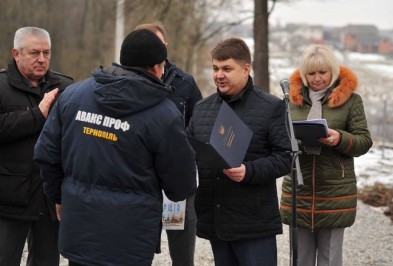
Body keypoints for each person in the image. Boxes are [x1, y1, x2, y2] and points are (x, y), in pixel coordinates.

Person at [33, 28, 197, 266]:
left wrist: (59, 197)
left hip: (80, 231)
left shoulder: (72, 97)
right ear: (156, 67)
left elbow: (46, 154)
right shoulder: (164, 114)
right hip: (131, 241)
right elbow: (181, 184)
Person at [186, 37, 291, 266]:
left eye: (226, 69)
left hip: (254, 224)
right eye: (215, 68)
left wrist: (249, 171)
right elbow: (187, 151)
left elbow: (285, 158)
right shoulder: (202, 109)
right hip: (216, 219)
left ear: (245, 69)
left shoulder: (271, 107)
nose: (218, 75)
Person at [279, 44, 373, 266]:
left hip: (334, 191)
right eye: (311, 73)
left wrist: (339, 139)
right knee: (300, 258)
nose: (317, 78)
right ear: (303, 74)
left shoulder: (351, 101)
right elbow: (277, 137)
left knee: (329, 259)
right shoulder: (290, 100)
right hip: (299, 189)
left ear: (333, 71)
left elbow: (364, 141)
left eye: (322, 72)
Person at [0, 26, 73, 266]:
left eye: (46, 53)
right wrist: (38, 114)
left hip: (51, 197)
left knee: (47, 261)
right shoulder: (0, 86)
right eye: (34, 53)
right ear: (16, 53)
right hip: (10, 197)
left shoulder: (65, 87)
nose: (42, 59)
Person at [135, 21, 203, 266]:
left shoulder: (185, 82)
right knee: (137, 251)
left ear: (166, 45)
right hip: (140, 182)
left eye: (159, 43)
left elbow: (200, 126)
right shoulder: (126, 85)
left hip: (178, 184)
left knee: (182, 254)